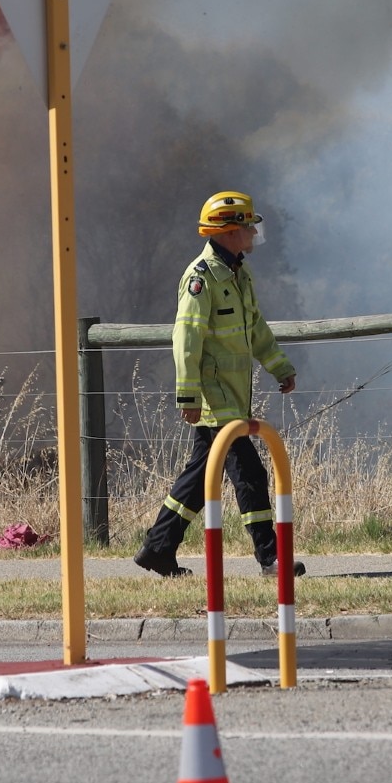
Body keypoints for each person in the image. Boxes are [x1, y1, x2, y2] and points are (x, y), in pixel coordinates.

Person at [135, 191, 306, 579]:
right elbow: (187, 339)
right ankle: (270, 558)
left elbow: (255, 329)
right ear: (229, 231)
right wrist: (188, 395)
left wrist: (281, 367)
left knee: (198, 478)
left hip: (233, 396)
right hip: (214, 397)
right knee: (249, 473)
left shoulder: (238, 272)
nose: (252, 233)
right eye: (247, 226)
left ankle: (158, 548)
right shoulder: (201, 278)